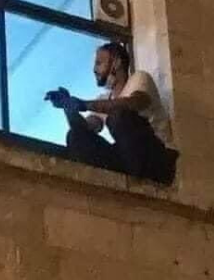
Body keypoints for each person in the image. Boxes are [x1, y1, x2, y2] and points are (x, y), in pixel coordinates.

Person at [44, 42, 178, 184]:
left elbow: (134, 103)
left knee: (119, 116)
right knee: (75, 136)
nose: (94, 69)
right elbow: (85, 127)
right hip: (129, 162)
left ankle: (140, 177)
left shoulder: (139, 79)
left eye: (99, 63)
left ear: (117, 63)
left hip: (157, 159)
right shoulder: (104, 99)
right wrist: (67, 106)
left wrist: (84, 105)